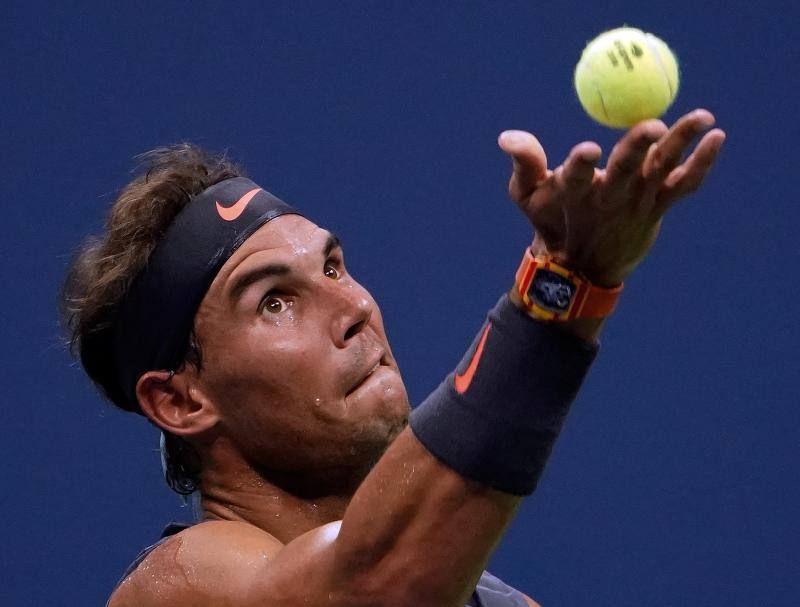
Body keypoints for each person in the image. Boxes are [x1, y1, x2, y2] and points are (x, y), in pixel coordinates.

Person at [61, 110, 725, 607]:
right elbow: (367, 588)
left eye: (334, 266)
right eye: (274, 302)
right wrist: (562, 286)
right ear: (181, 400)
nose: (352, 308)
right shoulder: (177, 588)